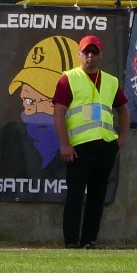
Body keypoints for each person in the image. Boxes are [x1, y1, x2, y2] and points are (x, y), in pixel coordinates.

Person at [54, 35, 129, 249]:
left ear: (101, 55)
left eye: (94, 52)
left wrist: (121, 139)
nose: (90, 56)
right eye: (86, 52)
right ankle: (71, 242)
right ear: (79, 54)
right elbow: (59, 112)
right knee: (75, 196)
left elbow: (123, 110)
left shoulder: (111, 81)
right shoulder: (68, 79)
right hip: (79, 149)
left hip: (105, 147)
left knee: (97, 197)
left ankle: (89, 241)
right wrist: (64, 144)